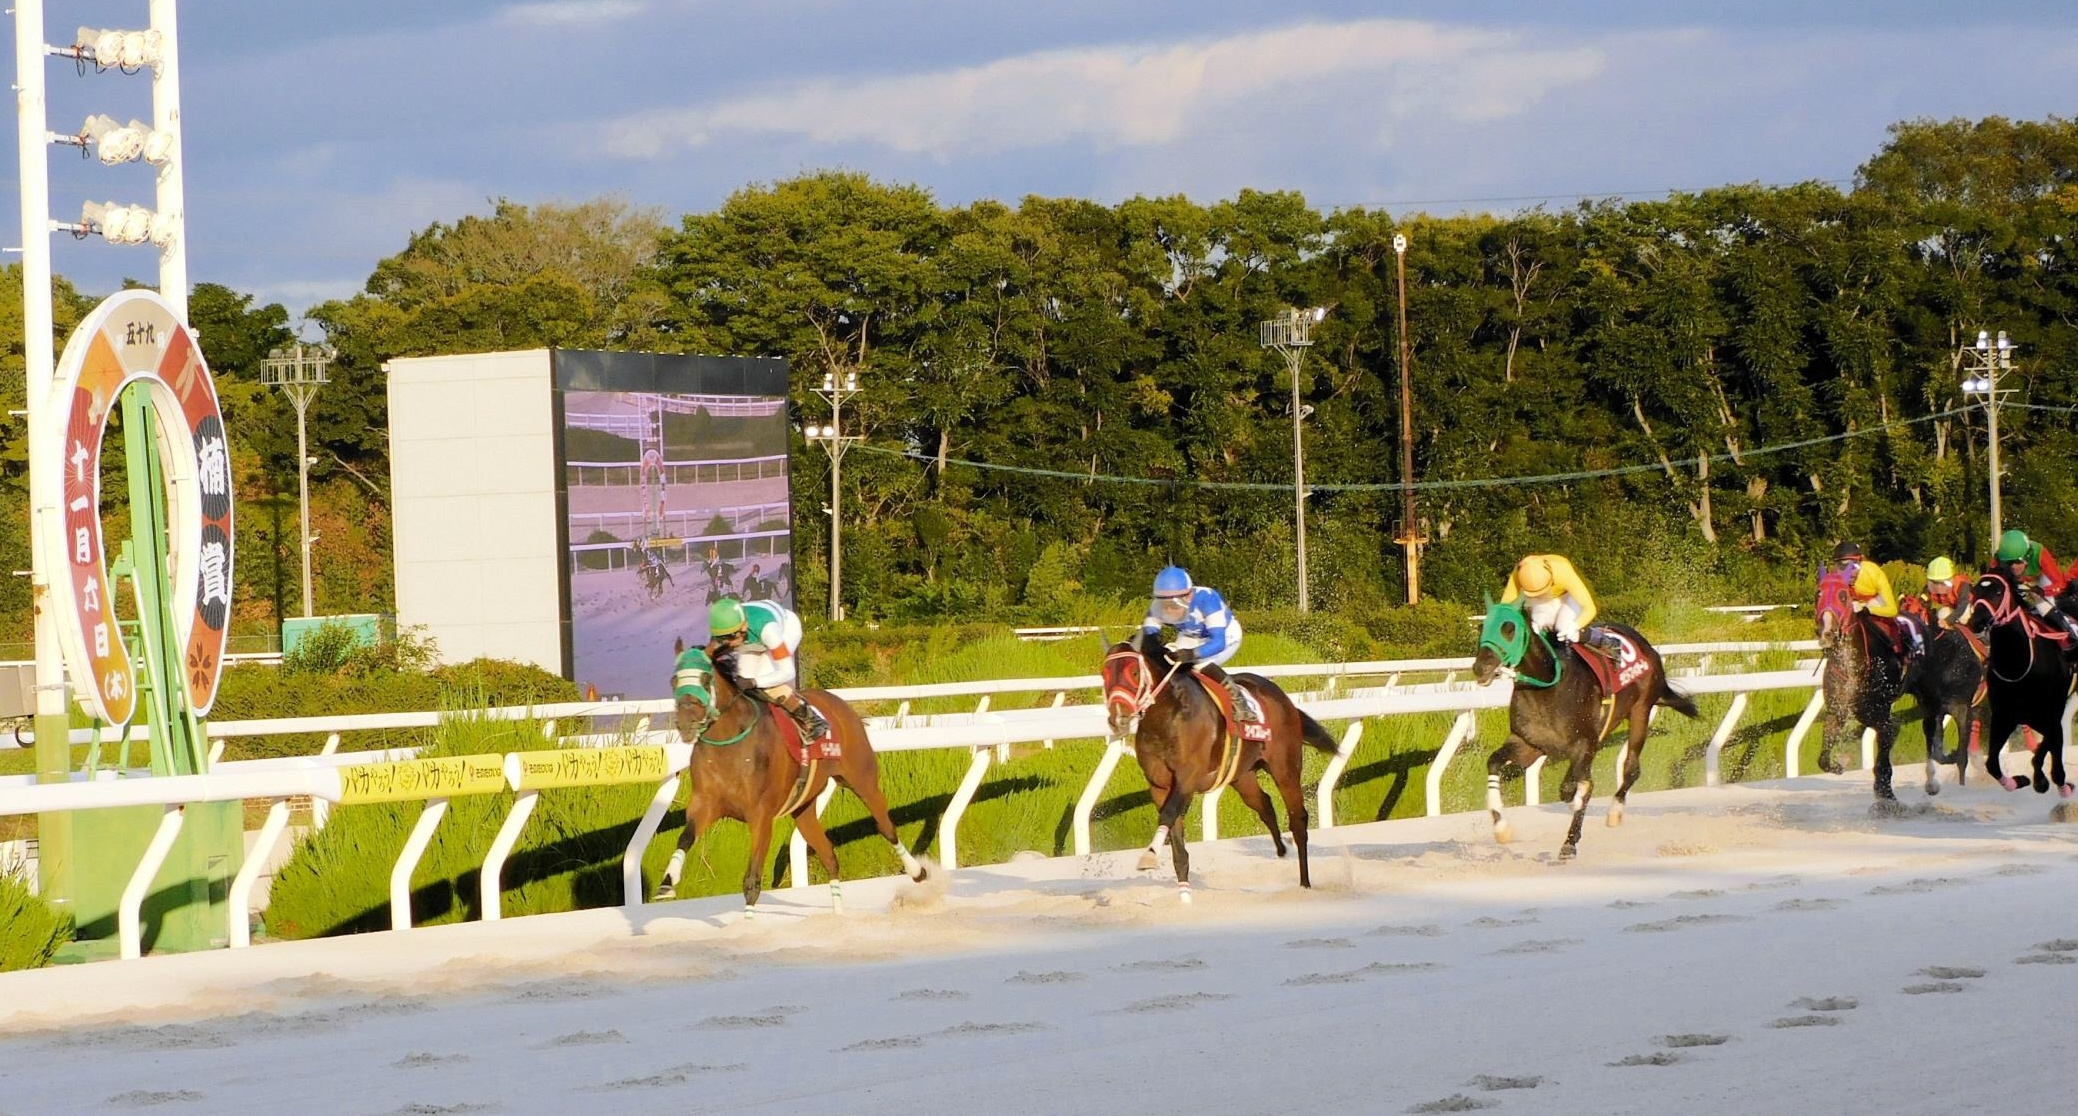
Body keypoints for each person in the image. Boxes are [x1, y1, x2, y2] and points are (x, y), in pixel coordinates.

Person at [1143, 566, 1256, 721]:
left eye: (1173, 606)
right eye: (1164, 605)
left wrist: (1191, 654)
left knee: (1199, 663)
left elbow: (1218, 641)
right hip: (1190, 635)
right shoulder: (1160, 604)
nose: (1167, 610)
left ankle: (1240, 703)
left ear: (1188, 597)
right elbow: (1149, 636)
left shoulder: (1207, 599)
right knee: (1168, 661)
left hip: (1225, 634)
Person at [707, 596, 829, 740]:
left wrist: (755, 682)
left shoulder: (768, 630)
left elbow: (788, 672)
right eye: (722, 639)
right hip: (754, 638)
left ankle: (813, 719)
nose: (726, 643)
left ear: (743, 627)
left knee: (765, 680)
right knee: (741, 682)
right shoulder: (725, 629)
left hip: (785, 630)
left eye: (730, 638)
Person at [1500, 554, 1615, 651]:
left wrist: (1575, 625)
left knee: (1564, 626)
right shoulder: (1519, 572)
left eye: (1541, 591)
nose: (1540, 594)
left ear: (1551, 580)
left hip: (1567, 595)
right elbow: (1506, 604)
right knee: (1537, 627)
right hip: (1544, 600)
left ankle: (1605, 641)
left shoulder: (1563, 571)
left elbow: (1589, 608)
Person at [1834, 542, 1922, 659]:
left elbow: (1892, 610)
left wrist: (1866, 609)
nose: (1849, 574)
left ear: (1861, 563)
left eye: (1854, 567)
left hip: (1874, 605)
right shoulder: (1833, 577)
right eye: (1842, 568)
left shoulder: (1874, 573)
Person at [1993, 530, 2078, 643]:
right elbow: (1992, 582)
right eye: (2008, 563)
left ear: (2028, 556)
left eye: (2018, 561)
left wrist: (2043, 591)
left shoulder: (2040, 552)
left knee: (2041, 604)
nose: (2013, 567)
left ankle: (2070, 634)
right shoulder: (1998, 558)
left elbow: (2060, 583)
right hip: (2017, 584)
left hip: (2040, 581)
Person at [1920, 556, 1966, 627]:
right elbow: (1923, 599)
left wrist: (1948, 620)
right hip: (1951, 608)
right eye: (1935, 582)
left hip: (1966, 610)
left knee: (1964, 617)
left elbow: (1962, 607)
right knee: (1942, 614)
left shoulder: (1962, 584)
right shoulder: (1931, 585)